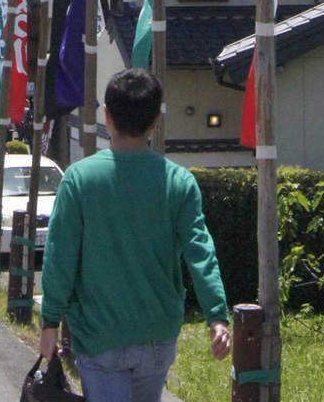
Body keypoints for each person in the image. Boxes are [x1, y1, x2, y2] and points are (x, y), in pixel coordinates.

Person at [39, 69, 231, 402]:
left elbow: (60, 257)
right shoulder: (178, 182)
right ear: (156, 120)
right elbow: (201, 253)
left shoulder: (79, 180)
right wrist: (217, 316)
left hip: (101, 336)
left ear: (107, 116)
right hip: (158, 335)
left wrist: (50, 322)